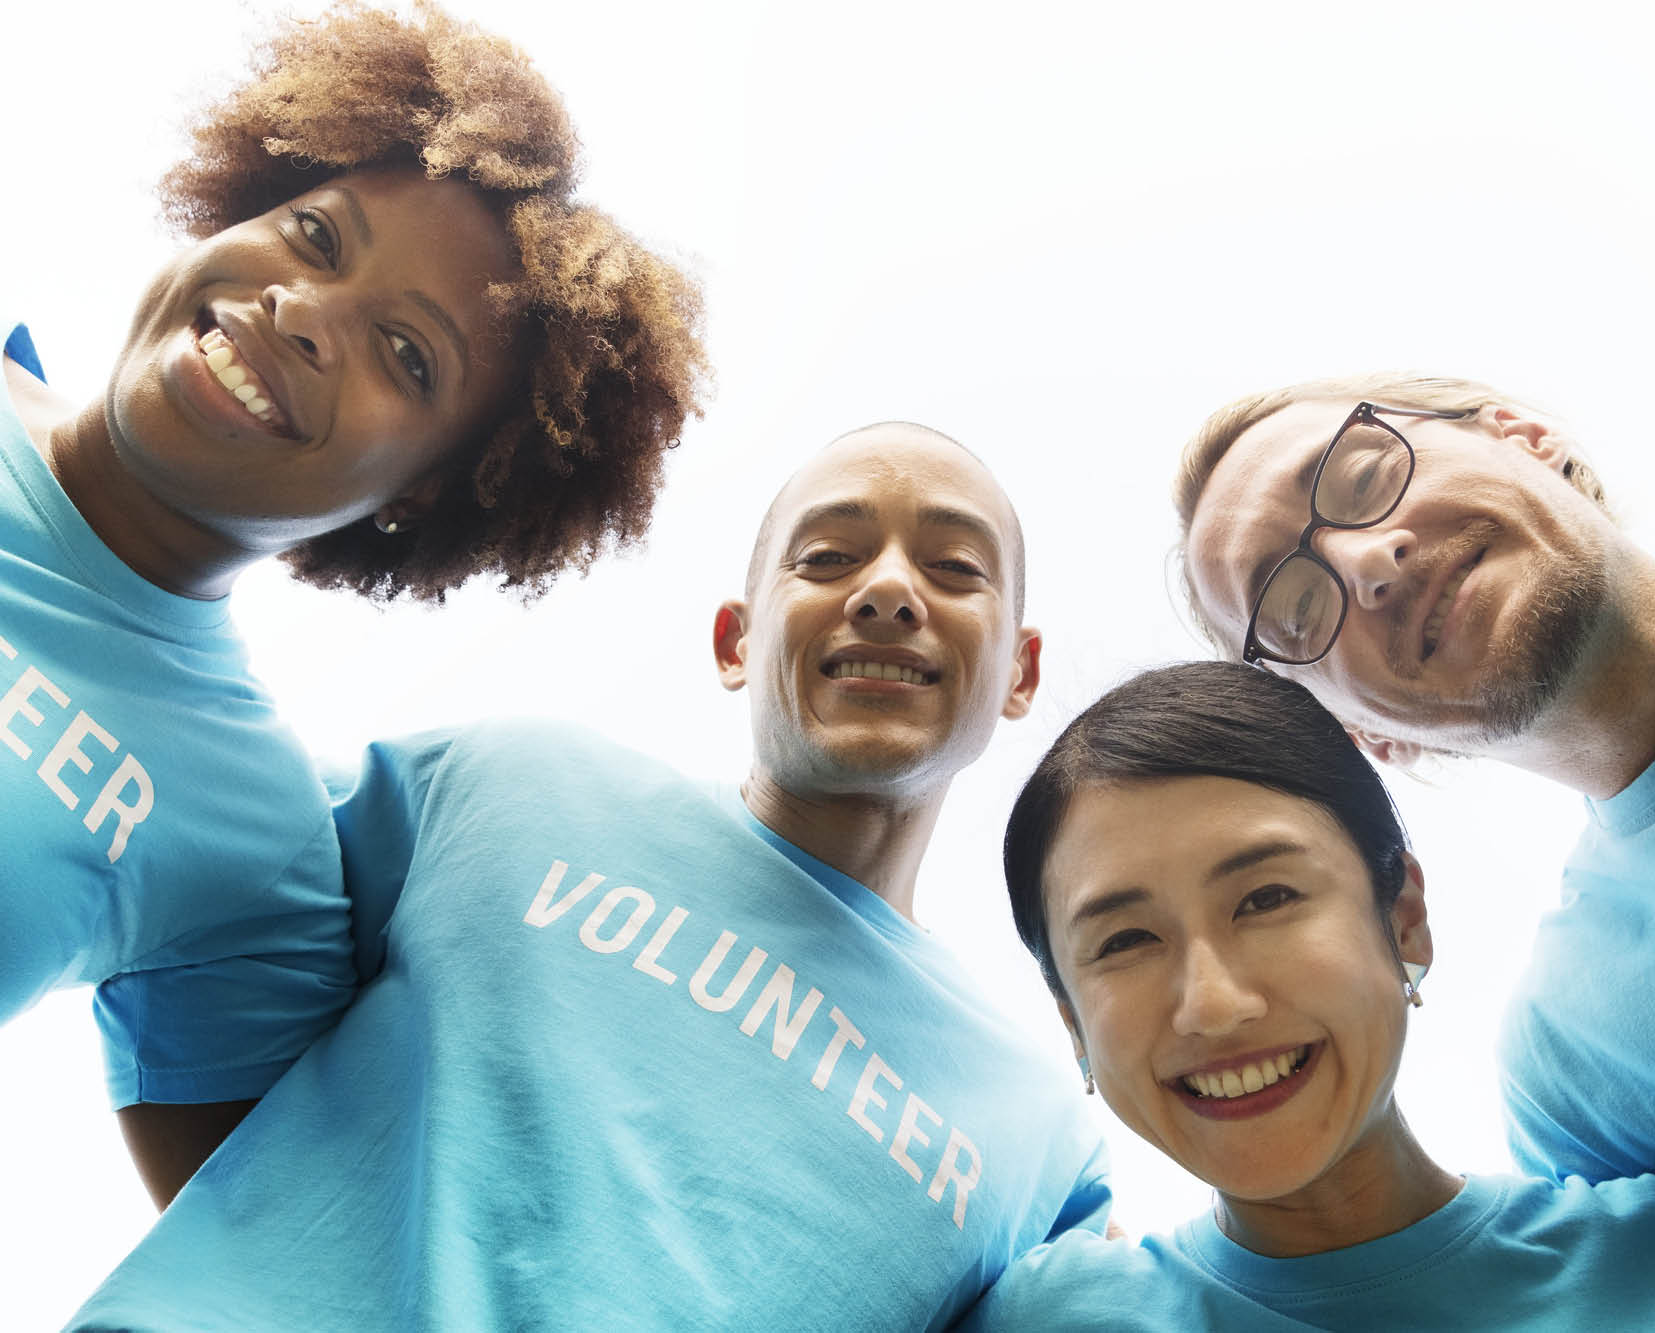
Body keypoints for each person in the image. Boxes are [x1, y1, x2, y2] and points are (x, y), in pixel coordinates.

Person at [66, 422, 1110, 1330]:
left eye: (956, 569)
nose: (887, 591)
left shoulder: (1042, 1135)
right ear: (735, 641)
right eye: (830, 556)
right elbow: (193, 867)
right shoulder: (505, 784)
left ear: (1019, 672)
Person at [2, 0, 706, 1207]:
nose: (305, 313)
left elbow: (294, 1258)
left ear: (423, 494)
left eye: (408, 355)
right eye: (316, 237)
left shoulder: (250, 845)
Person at [1172, 345, 1655, 1247]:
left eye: (1363, 474)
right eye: (1294, 609)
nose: (1368, 563)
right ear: (1369, 736)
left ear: (1523, 437)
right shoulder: (1586, 1076)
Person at [967, 660, 1655, 1329]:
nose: (1214, 1004)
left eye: (1266, 898)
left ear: (1404, 917)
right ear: (1071, 1023)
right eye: (1123, 941)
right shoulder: (1043, 1318)